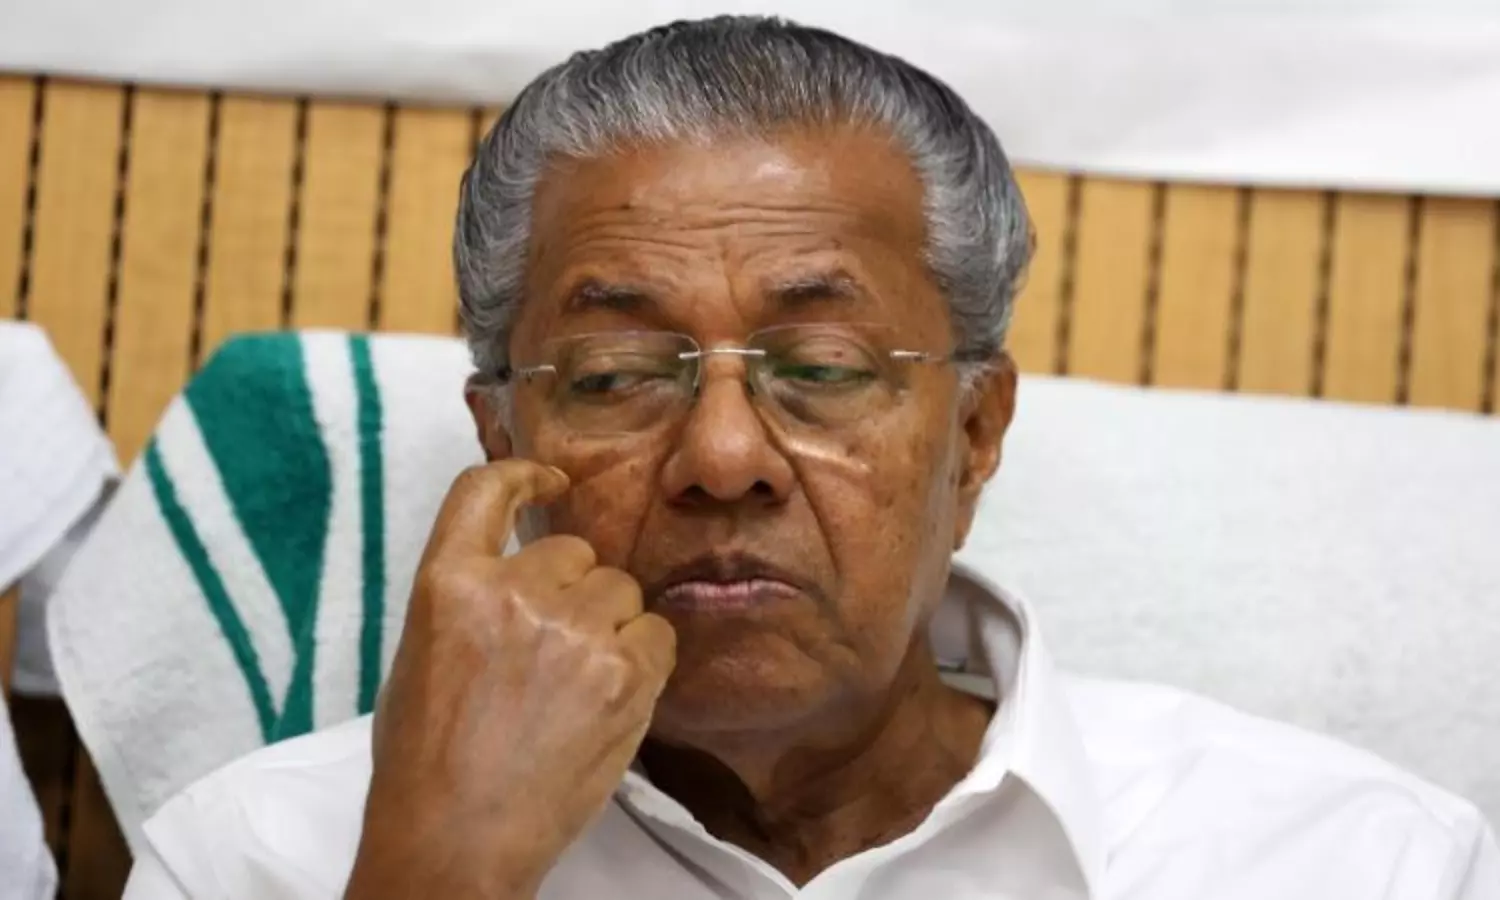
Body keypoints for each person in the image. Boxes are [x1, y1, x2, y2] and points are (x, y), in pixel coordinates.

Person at [122, 15, 1498, 900]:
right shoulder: (259, 859)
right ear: (506, 441)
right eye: (613, 376)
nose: (723, 457)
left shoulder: (1352, 862)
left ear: (975, 433)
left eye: (825, 369)